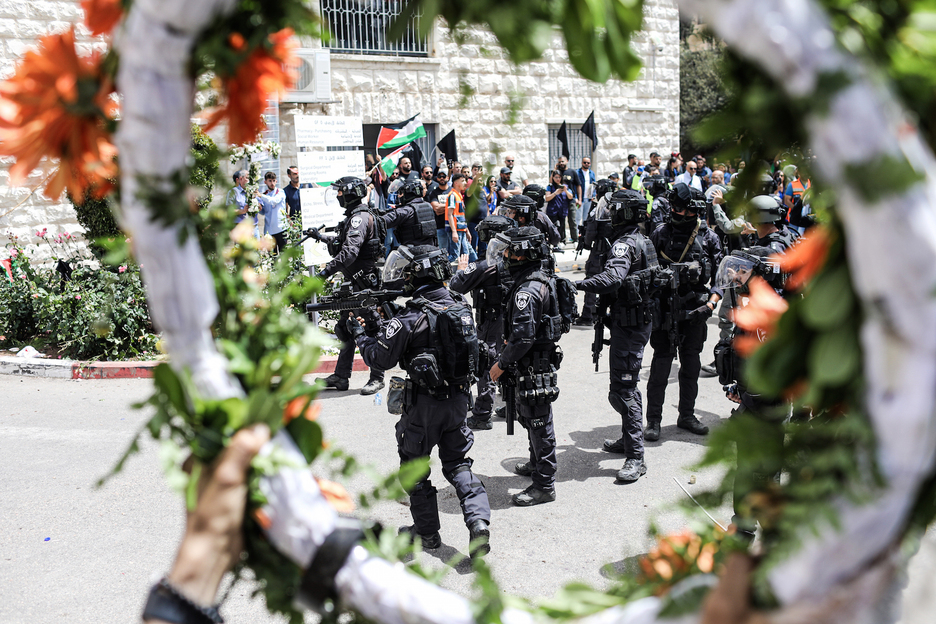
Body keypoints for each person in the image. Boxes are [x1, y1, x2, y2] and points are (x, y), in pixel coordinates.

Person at [352, 244, 491, 552]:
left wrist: (361, 334)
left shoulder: (410, 317)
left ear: (419, 274)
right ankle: (478, 521)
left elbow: (380, 358)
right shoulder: (459, 305)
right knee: (458, 464)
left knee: (414, 469)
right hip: (458, 402)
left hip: (424, 408)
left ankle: (427, 533)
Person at [575, 189, 661, 482]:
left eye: (615, 210)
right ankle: (628, 440)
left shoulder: (625, 245)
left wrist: (579, 285)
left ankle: (636, 456)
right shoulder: (643, 240)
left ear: (626, 213)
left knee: (623, 390)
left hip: (630, 325)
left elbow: (613, 278)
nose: (609, 215)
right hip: (633, 321)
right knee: (626, 386)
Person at [487, 227, 563, 506]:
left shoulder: (528, 291)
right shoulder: (533, 280)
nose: (505, 255)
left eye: (509, 250)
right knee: (530, 418)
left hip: (533, 363)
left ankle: (544, 485)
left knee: (539, 422)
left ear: (522, 254)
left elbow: (523, 336)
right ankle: (536, 465)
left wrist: (501, 364)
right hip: (533, 361)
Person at [645, 183, 724, 441]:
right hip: (666, 310)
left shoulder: (709, 237)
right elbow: (646, 272)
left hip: (696, 310)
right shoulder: (660, 234)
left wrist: (711, 304)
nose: (687, 217)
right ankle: (653, 421)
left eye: (693, 213)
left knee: (691, 366)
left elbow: (723, 278)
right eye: (682, 211)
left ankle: (686, 415)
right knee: (660, 368)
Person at [310, 177, 387, 396]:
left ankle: (377, 377)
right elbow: (343, 243)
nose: (337, 196)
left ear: (351, 194)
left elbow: (350, 252)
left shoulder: (359, 219)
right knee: (345, 328)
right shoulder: (356, 217)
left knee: (371, 328)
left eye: (340, 193)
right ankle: (341, 376)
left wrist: (325, 272)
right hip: (353, 281)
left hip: (362, 283)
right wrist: (321, 237)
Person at [450, 214, 517, 430]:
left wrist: (461, 268)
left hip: (493, 320)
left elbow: (457, 285)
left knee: (487, 364)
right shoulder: (520, 258)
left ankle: (482, 414)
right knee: (512, 359)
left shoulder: (488, 265)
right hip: (516, 318)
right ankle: (513, 406)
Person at [575, 178, 617, 325]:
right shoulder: (617, 207)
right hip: (613, 251)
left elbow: (590, 234)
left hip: (599, 251)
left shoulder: (597, 210)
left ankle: (588, 315)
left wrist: (585, 243)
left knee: (592, 280)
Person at [382, 178, 438, 248]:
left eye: (401, 193)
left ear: (408, 192)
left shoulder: (406, 210)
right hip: (431, 251)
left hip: (413, 253)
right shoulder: (428, 205)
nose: (399, 196)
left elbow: (383, 221)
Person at [445, 172, 476, 262]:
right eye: (462, 181)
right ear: (456, 183)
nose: (465, 183)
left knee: (468, 254)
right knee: (454, 255)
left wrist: (467, 230)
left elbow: (461, 216)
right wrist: (454, 232)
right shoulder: (452, 196)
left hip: (461, 229)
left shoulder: (459, 196)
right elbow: (449, 214)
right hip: (456, 230)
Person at [255, 171, 289, 254]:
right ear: (265, 182)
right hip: (269, 231)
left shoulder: (280, 192)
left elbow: (274, 201)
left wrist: (261, 196)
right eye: (270, 181)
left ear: (276, 181)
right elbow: (264, 212)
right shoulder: (265, 195)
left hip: (281, 229)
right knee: (272, 257)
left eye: (274, 181)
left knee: (284, 255)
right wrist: (258, 208)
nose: (272, 183)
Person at [544, 169, 572, 246]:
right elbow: (547, 198)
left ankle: (561, 241)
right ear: (553, 178)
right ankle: (553, 242)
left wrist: (565, 191)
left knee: (562, 227)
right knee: (553, 227)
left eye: (559, 177)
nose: (558, 179)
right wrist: (555, 193)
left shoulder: (565, 186)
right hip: (553, 211)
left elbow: (570, 197)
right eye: (556, 177)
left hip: (562, 210)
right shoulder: (550, 187)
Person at [556, 155, 580, 243]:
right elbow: (551, 181)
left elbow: (578, 185)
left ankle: (575, 238)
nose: (561, 163)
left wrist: (579, 199)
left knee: (572, 220)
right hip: (560, 201)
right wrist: (555, 169)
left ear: (567, 161)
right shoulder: (557, 172)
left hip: (571, 199)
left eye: (562, 161)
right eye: (559, 162)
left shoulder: (572, 171)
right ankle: (562, 239)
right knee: (561, 221)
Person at [228, 169, 257, 237]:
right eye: (247, 178)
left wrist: (256, 204)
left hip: (253, 226)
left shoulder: (253, 190)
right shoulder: (233, 192)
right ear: (240, 179)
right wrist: (242, 211)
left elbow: (261, 207)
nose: (249, 180)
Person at [426, 168, 450, 250]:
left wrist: (441, 207)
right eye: (440, 176)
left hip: (453, 226)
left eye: (444, 176)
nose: (442, 178)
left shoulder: (452, 191)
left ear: (448, 178)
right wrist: (450, 206)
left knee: (457, 253)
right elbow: (436, 208)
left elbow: (457, 207)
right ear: (437, 179)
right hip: (440, 226)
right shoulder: (434, 192)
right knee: (443, 251)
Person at [576, 156, 596, 226]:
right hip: (580, 199)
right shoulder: (577, 172)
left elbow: (594, 185)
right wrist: (576, 198)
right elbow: (575, 186)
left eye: (588, 163)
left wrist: (593, 195)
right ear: (582, 163)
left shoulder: (591, 173)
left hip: (588, 199)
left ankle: (584, 234)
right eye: (585, 162)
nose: (586, 164)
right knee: (578, 217)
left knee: (586, 217)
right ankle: (577, 234)